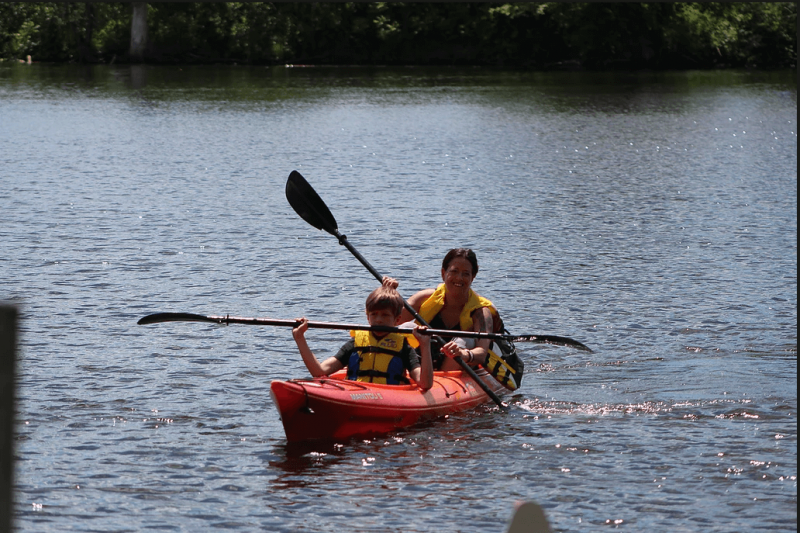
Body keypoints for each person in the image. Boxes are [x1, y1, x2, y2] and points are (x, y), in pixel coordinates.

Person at [292, 285, 434, 391]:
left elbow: (425, 384)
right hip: (356, 393)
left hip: (389, 395)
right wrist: (300, 338)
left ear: (397, 320)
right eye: (374, 314)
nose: (378, 320)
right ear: (367, 317)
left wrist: (424, 345)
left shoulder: (403, 347)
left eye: (385, 315)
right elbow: (319, 372)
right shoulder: (355, 344)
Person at [385, 248, 505, 372]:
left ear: (473, 277)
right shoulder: (424, 298)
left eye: (466, 273)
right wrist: (388, 294)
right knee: (407, 327)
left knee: (463, 340)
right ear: (443, 273)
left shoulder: (480, 312)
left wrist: (463, 354)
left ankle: (440, 380)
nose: (459, 278)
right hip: (425, 361)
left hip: (456, 367)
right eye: (454, 271)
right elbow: (390, 324)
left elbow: (481, 353)